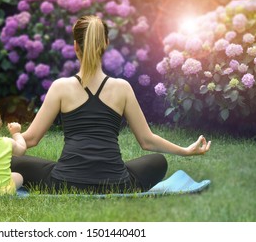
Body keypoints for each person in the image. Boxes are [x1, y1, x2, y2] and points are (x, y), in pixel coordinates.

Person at [11, 15, 211, 193]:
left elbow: (31, 139)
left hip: (64, 182)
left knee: (13, 161)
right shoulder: (122, 88)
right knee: (158, 162)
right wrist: (185, 150)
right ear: (105, 44)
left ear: (75, 46)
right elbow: (147, 141)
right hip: (117, 183)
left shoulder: (60, 87)